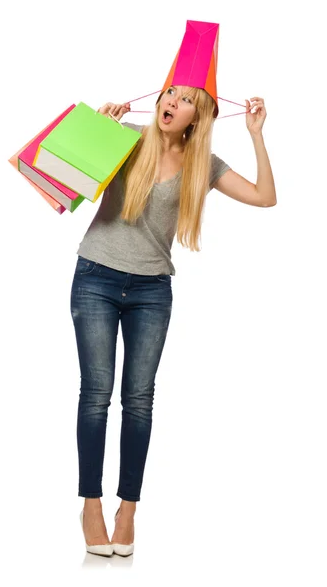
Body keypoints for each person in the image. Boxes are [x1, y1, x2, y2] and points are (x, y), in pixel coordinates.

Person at [72, 84, 276, 557]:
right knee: (96, 395)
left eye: (185, 99)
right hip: (96, 277)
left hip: (151, 291)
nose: (171, 102)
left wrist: (256, 135)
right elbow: (74, 183)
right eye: (169, 93)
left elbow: (266, 197)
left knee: (138, 401)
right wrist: (96, 131)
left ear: (198, 116)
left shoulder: (204, 165)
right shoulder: (126, 137)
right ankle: (90, 504)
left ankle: (128, 509)